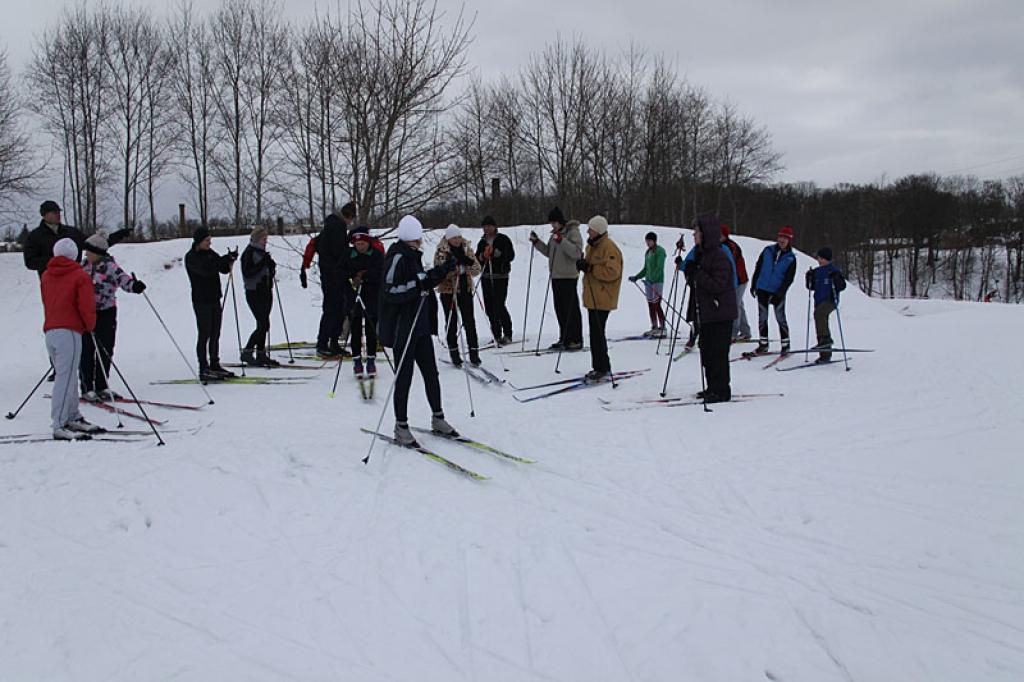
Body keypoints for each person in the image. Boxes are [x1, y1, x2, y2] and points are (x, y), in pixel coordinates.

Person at [379, 215, 463, 446]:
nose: (419, 243)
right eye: (417, 239)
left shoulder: (412, 257)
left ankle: (438, 418)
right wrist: (418, 287)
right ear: (409, 238)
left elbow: (423, 280)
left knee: (431, 373)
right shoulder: (397, 257)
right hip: (403, 329)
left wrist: (444, 269)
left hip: (421, 326)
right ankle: (401, 426)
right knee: (404, 377)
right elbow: (390, 291)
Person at [41, 238, 102, 439]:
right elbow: (86, 305)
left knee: (67, 375)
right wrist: (89, 325)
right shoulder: (79, 275)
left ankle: (73, 416)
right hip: (70, 331)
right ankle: (58, 423)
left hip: (51, 331)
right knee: (65, 378)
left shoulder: (46, 275)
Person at [80, 232, 146, 401]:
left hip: (106, 312)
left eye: (89, 251)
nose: (86, 254)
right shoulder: (83, 266)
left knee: (105, 349)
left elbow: (123, 279)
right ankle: (87, 387)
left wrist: (135, 285)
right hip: (87, 314)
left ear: (98, 251)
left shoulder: (110, 266)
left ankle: (102, 386)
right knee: (87, 350)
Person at [684, 215, 738, 403]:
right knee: (706, 350)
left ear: (706, 234)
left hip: (721, 312)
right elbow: (698, 282)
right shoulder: (702, 254)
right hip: (708, 312)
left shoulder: (719, 256)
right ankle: (712, 387)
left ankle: (722, 390)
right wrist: (690, 272)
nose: (694, 234)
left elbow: (717, 284)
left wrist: (697, 273)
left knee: (718, 352)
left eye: (697, 231)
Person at [184, 227, 238, 381]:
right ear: (199, 241)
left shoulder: (210, 253)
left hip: (214, 298)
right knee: (204, 334)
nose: (210, 243)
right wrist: (222, 260)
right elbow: (206, 270)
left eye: (210, 240)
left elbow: (222, 269)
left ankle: (215, 363)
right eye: (207, 240)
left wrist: (229, 259)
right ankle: (203, 367)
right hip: (201, 300)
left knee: (215, 333)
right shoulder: (192, 257)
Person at [23, 200, 131, 276]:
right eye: (54, 212)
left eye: (59, 212)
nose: (58, 214)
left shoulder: (71, 232)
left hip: (74, 278)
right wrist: (56, 261)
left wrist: (118, 235)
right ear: (44, 215)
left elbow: (95, 244)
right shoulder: (35, 237)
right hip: (51, 283)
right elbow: (30, 262)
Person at [529, 207, 584, 350]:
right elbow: (549, 252)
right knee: (560, 309)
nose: (552, 226)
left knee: (571, 309)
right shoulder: (555, 235)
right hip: (556, 276)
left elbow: (577, 253)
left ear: (560, 222)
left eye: (554, 223)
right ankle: (564, 337)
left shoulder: (572, 232)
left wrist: (562, 240)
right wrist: (537, 243)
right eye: (551, 223)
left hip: (569, 276)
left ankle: (576, 339)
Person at [577, 216, 623, 381]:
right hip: (593, 295)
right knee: (595, 333)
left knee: (597, 333)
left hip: (603, 297)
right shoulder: (592, 246)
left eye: (591, 228)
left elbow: (612, 272)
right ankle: (599, 366)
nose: (588, 231)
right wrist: (583, 265)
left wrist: (590, 268)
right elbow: (590, 267)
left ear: (599, 230)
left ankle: (602, 367)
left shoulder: (608, 247)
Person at [434, 224, 482, 366]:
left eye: (459, 237)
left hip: (465, 289)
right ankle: (454, 354)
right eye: (454, 237)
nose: (457, 240)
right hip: (449, 291)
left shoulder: (466, 248)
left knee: (469, 321)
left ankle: (474, 353)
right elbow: (438, 272)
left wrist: (469, 265)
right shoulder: (442, 251)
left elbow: (477, 269)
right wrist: (452, 270)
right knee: (451, 323)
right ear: (448, 238)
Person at [751, 225, 797, 354]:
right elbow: (758, 267)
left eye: (785, 238)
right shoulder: (767, 250)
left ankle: (786, 344)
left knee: (780, 318)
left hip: (777, 291)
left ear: (789, 240)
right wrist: (754, 284)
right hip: (762, 288)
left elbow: (789, 279)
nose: (782, 240)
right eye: (780, 237)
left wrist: (780, 293)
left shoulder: (791, 258)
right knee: (762, 317)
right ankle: (763, 344)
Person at [345, 226, 385, 377]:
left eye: (363, 243)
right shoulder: (349, 255)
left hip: (372, 296)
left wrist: (365, 276)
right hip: (353, 296)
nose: (360, 246)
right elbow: (341, 271)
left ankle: (371, 360)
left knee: (371, 329)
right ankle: (356, 360)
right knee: (355, 329)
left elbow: (381, 272)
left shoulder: (376, 254)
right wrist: (352, 279)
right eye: (357, 244)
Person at [240, 227, 278, 367]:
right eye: (263, 239)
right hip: (254, 291)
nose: (265, 242)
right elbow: (248, 273)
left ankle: (261, 353)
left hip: (266, 290)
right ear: (257, 239)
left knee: (264, 324)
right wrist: (263, 264)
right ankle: (248, 350)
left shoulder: (262, 253)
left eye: (266, 239)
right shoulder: (249, 253)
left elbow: (268, 272)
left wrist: (271, 267)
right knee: (263, 324)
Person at [475, 215, 515, 344]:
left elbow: (510, 255)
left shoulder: (503, 239)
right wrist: (482, 256)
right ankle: (496, 334)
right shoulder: (482, 242)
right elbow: (476, 258)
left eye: (489, 226)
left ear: (494, 227)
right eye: (484, 227)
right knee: (489, 307)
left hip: (500, 277)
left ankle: (507, 333)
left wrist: (498, 254)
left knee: (499, 305)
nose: (486, 229)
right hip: (486, 277)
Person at [315, 212, 350, 357]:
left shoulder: (327, 228)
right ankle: (327, 342)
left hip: (328, 275)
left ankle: (328, 342)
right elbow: (339, 252)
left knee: (334, 309)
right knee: (334, 310)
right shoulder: (338, 228)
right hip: (334, 276)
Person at [805, 247, 847, 363]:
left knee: (820, 314)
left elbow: (842, 286)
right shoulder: (817, 271)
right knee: (819, 319)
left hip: (830, 300)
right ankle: (825, 354)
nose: (819, 260)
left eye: (822, 258)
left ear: (827, 259)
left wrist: (836, 278)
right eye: (819, 258)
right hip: (818, 300)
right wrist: (808, 277)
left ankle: (825, 341)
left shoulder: (833, 270)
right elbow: (811, 287)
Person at [628, 231, 666, 337]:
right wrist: (637, 277)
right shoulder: (648, 252)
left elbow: (659, 267)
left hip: (657, 281)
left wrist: (652, 280)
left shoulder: (660, 251)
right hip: (648, 282)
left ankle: (663, 327)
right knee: (650, 304)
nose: (648, 243)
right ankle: (654, 326)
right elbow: (646, 269)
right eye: (647, 241)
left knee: (657, 304)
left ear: (654, 241)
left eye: (650, 241)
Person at [720, 224, 752, 341]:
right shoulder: (722, 246)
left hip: (739, 280)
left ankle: (733, 332)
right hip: (735, 280)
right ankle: (745, 331)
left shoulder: (730, 246)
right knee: (739, 305)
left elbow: (730, 264)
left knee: (735, 306)